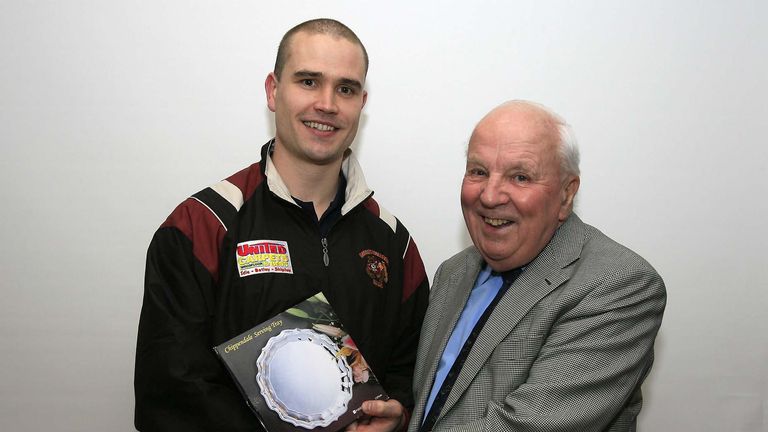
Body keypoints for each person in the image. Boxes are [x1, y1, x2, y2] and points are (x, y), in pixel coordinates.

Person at [134, 18, 429, 432]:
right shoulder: (202, 226)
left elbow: (411, 375)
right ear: (273, 91)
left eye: (345, 88)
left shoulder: (395, 245)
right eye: (308, 81)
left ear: (361, 103)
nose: (327, 103)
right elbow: (167, 400)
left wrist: (398, 417)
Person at [409, 101, 666, 432]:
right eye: (478, 171)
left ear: (565, 195)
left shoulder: (619, 285)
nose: (489, 195)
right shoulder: (453, 273)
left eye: (520, 177)